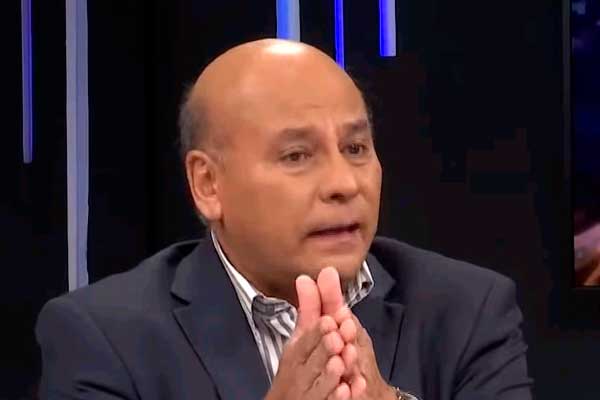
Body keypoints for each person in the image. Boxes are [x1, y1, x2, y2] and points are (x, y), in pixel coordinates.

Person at [36, 39, 533, 400]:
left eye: (356, 148)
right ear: (208, 185)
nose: (344, 183)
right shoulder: (105, 338)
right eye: (297, 156)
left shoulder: (467, 311)